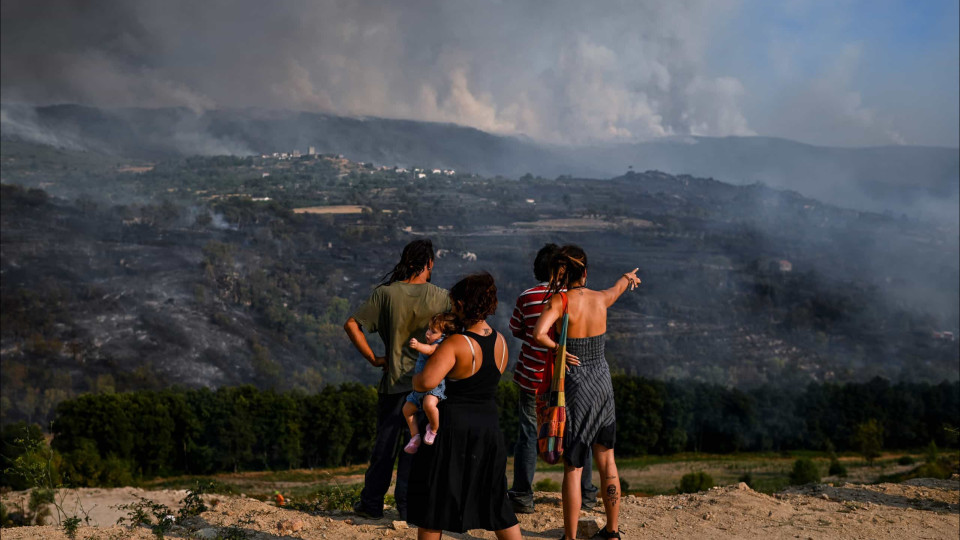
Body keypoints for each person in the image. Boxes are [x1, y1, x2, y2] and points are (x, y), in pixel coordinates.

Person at [532, 245, 640, 540]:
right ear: (586, 272)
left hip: (577, 385)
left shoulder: (561, 300)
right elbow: (618, 289)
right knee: (607, 458)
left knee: (574, 464)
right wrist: (627, 277)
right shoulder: (601, 298)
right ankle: (613, 531)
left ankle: (570, 537)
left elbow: (538, 333)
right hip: (603, 382)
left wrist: (558, 349)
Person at [406, 273, 521, 539]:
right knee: (497, 503)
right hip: (489, 427)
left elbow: (426, 382)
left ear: (461, 303)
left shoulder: (456, 343)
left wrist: (413, 377)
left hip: (453, 427)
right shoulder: (501, 342)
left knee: (433, 504)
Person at [344, 239, 451, 520]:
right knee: (415, 450)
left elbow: (352, 325)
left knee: (385, 448)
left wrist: (374, 358)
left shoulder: (386, 294)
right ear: (428, 264)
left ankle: (372, 504)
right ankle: (408, 508)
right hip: (428, 386)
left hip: (393, 385)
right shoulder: (441, 297)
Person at [507, 243, 598, 514]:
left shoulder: (527, 296)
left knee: (528, 433)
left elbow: (517, 329)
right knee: (579, 433)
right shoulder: (574, 297)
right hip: (569, 378)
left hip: (533, 376)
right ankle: (587, 494)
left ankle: (523, 496)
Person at [402, 312, 459, 454]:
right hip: (419, 391)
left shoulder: (439, 345)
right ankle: (415, 436)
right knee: (407, 410)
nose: (428, 334)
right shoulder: (434, 341)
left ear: (444, 336)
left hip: (434, 388)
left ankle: (433, 429)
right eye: (428, 329)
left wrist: (417, 345)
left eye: (433, 332)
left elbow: (429, 350)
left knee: (429, 405)